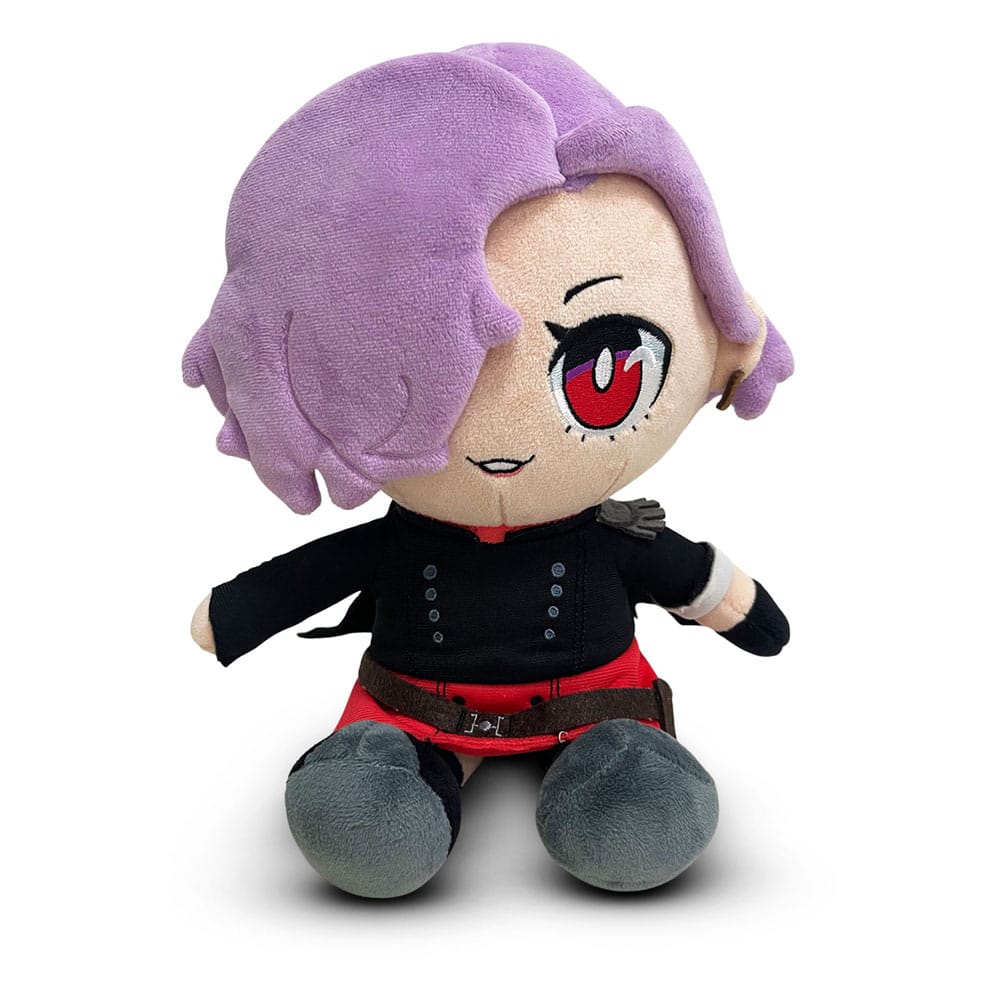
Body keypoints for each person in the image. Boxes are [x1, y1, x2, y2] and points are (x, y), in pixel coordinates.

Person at [184, 43, 793, 898]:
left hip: (594, 704)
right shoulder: (406, 540)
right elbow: (313, 573)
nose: (498, 445)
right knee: (368, 821)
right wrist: (240, 610)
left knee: (632, 813)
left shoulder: (611, 536)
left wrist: (742, 609)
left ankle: (618, 778)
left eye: (602, 374)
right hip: (415, 707)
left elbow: (695, 578)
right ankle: (390, 779)